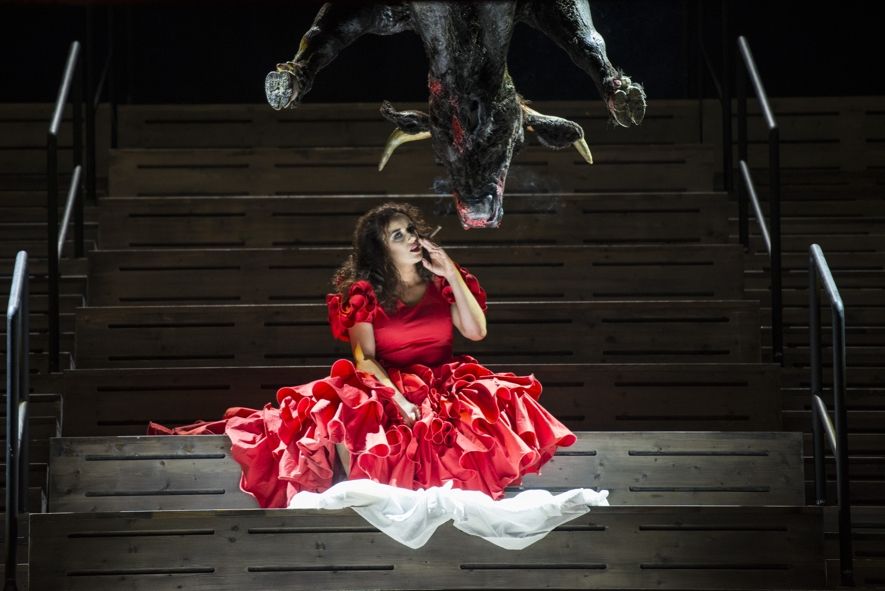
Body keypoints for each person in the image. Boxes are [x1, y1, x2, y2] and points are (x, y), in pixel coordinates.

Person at [150, 202, 577, 509]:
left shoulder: (444, 281)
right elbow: (364, 358)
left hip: (441, 375)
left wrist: (450, 272)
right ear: (381, 249)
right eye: (397, 235)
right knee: (359, 412)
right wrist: (399, 398)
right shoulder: (364, 293)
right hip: (388, 378)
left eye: (411, 230)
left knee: (495, 400)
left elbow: (476, 331)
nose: (411, 239)